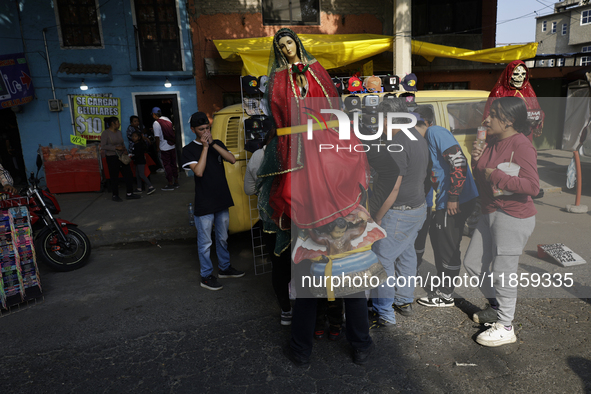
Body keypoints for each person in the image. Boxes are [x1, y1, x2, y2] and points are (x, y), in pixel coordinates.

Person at [258, 28, 374, 366]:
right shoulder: (333, 148)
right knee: (345, 289)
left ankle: (306, 348)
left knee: (318, 290)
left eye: (289, 43)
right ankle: (355, 345)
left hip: (320, 222)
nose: (286, 49)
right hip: (332, 222)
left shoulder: (323, 147)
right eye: (280, 46)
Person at [465, 97, 539, 347]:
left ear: (508, 120)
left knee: (503, 274)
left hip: (513, 215)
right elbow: (482, 176)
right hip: (490, 212)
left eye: (493, 114)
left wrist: (495, 174)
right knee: (473, 263)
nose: (486, 119)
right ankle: (496, 306)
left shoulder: (522, 146)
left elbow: (532, 186)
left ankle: (506, 326)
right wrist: (476, 160)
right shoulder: (493, 141)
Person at [369, 98, 429, 328]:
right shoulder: (416, 135)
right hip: (418, 207)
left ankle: (384, 312)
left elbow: (393, 186)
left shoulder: (397, 142)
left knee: (382, 261)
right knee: (407, 253)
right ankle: (404, 300)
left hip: (399, 211)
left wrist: (377, 215)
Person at [411, 106, 479, 308]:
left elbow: (459, 162)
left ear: (422, 123)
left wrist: (453, 197)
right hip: (446, 199)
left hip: (456, 199)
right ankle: (443, 284)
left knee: (447, 246)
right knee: (440, 240)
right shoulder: (427, 139)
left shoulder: (435, 132)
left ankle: (445, 294)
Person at [181, 112, 244, 291]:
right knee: (205, 242)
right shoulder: (188, 150)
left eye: (207, 128)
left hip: (221, 199)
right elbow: (199, 172)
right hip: (205, 203)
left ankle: (224, 268)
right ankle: (206, 275)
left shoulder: (217, 144)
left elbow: (231, 159)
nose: (205, 132)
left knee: (223, 238)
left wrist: (213, 144)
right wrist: (205, 148)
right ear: (193, 130)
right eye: (201, 130)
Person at [244, 129, 292, 326]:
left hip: (271, 221)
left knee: (279, 266)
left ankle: (286, 311)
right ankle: (312, 313)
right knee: (304, 263)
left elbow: (248, 189)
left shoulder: (258, 156)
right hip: (296, 220)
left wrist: (263, 191)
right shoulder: (295, 154)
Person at [100, 117, 140, 202]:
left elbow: (122, 143)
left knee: (128, 174)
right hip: (112, 157)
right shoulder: (106, 133)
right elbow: (103, 146)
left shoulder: (119, 132)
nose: (119, 124)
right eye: (118, 122)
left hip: (122, 156)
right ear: (113, 123)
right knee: (114, 176)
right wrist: (115, 148)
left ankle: (129, 193)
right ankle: (115, 195)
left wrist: (125, 150)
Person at [152, 107, 179, 191]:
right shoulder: (167, 119)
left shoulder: (156, 123)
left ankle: (170, 183)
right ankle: (176, 181)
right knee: (173, 164)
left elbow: (157, 137)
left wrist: (157, 147)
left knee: (166, 165)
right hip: (172, 145)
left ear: (154, 114)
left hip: (164, 147)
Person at [129, 131, 155, 195]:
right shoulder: (135, 145)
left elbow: (137, 154)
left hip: (140, 162)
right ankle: (139, 188)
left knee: (141, 174)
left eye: (135, 136)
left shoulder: (139, 145)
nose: (133, 138)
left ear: (139, 137)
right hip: (137, 162)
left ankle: (150, 186)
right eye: (133, 136)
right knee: (137, 175)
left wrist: (132, 157)